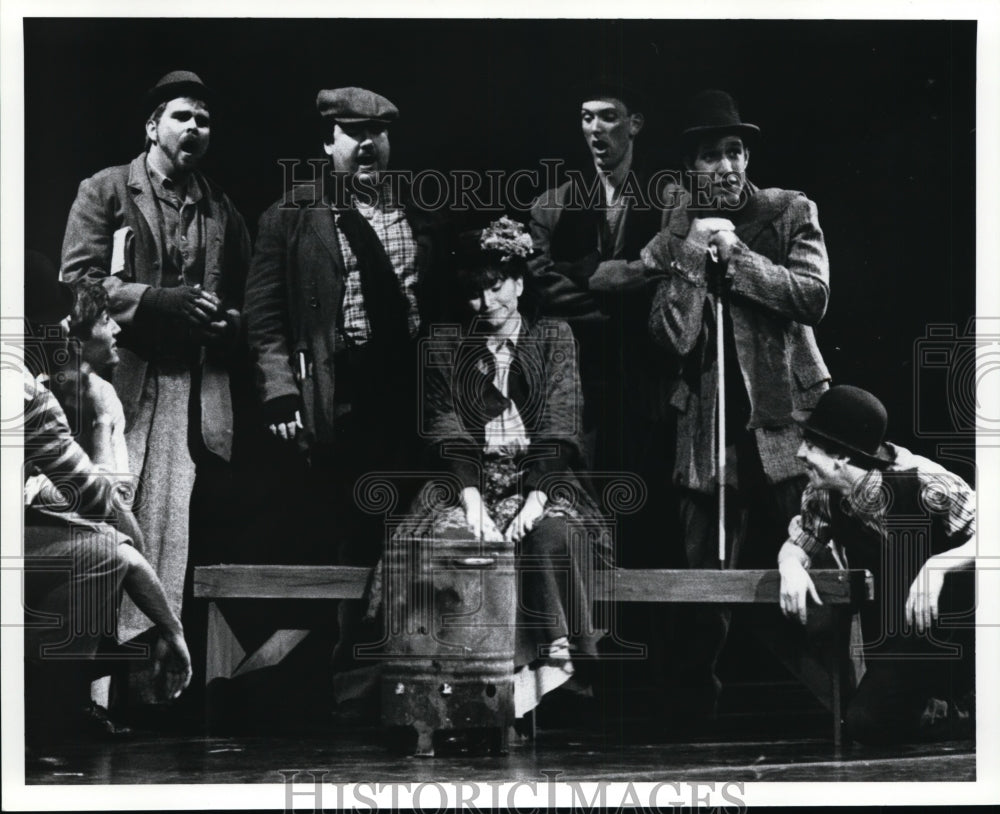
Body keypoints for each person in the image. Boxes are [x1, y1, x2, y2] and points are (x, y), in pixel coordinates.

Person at [60, 70, 251, 703]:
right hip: (117, 382)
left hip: (188, 388)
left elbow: (248, 298)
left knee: (166, 535)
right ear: (153, 127)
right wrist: (157, 300)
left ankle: (146, 691)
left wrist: (223, 321)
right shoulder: (107, 189)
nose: (195, 128)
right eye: (182, 117)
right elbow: (80, 283)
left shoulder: (219, 207)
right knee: (104, 522)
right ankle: (82, 692)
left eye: (204, 120)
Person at [640, 89, 831, 720]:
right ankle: (694, 710)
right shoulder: (678, 227)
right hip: (708, 424)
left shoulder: (787, 210)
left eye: (734, 152)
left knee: (815, 551)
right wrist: (693, 253)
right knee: (706, 568)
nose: (725, 167)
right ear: (690, 168)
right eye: (710, 156)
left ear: (747, 156)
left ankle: (845, 695)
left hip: (786, 417)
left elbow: (812, 296)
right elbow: (670, 334)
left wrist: (740, 257)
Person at [244, 86, 446, 673]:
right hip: (340, 394)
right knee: (349, 533)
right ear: (328, 141)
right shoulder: (292, 215)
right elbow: (264, 318)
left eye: (377, 135)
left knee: (412, 533)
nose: (366, 146)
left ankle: (408, 669)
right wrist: (281, 392)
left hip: (408, 393)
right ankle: (347, 674)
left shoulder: (420, 211)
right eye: (354, 135)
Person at [392, 217, 611, 718]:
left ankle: (556, 671)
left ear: (517, 282)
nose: (486, 304)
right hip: (467, 481)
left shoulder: (553, 336)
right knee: (449, 544)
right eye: (473, 294)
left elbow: (561, 418)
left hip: (541, 478)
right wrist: (471, 501)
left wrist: (535, 500)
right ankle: (456, 691)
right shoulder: (448, 343)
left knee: (551, 537)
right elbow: (445, 423)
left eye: (495, 288)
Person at [22, 251, 192, 743]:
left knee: (101, 545)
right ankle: (55, 708)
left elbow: (88, 491)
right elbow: (100, 497)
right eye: (103, 320)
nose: (116, 330)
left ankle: (59, 701)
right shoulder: (31, 389)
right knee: (101, 551)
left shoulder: (63, 388)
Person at [778, 385, 976, 744]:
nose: (799, 453)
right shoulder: (823, 494)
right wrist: (791, 565)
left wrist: (939, 565)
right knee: (866, 724)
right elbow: (799, 544)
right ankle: (950, 712)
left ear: (841, 455)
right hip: (904, 638)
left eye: (810, 444)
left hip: (963, 628)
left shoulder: (925, 481)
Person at [528, 75, 667, 481]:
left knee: (640, 483)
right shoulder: (551, 203)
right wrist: (616, 294)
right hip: (576, 374)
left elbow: (665, 272)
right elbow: (541, 286)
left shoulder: (668, 198)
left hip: (645, 375)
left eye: (608, 117)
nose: (595, 129)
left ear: (635, 124)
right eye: (587, 118)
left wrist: (585, 278)